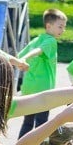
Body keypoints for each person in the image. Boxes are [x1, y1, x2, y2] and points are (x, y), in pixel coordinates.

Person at [17, 9, 68, 137]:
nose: (63, 30)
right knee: (42, 124)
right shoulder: (50, 41)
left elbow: (19, 55)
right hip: (43, 90)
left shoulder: (36, 39)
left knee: (27, 122)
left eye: (64, 27)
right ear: (48, 26)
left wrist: (21, 60)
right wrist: (26, 58)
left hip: (29, 88)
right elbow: (39, 50)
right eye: (60, 26)